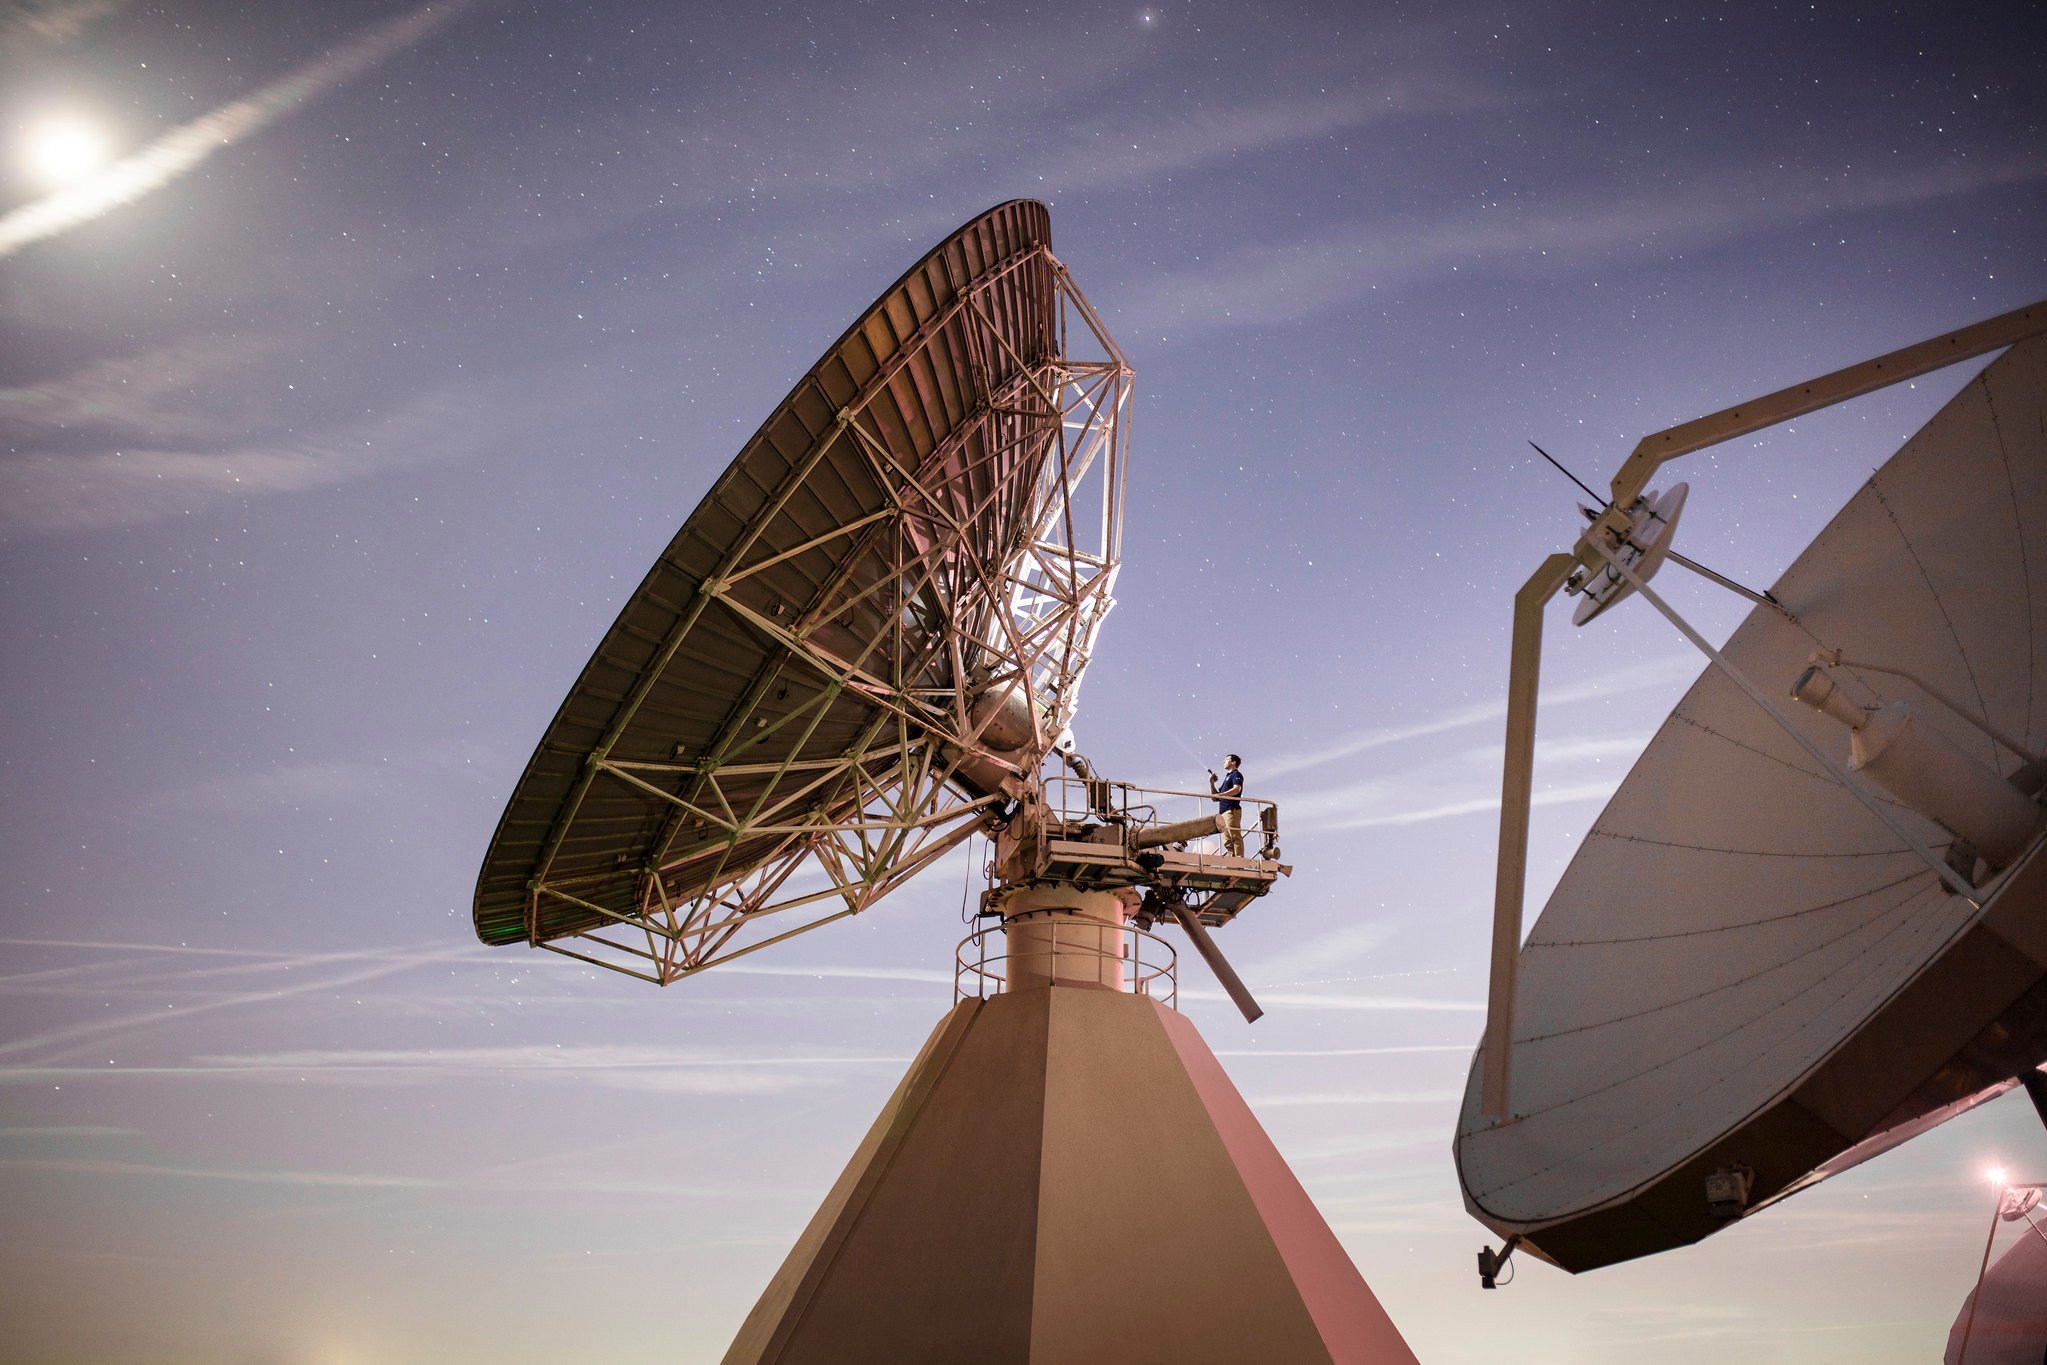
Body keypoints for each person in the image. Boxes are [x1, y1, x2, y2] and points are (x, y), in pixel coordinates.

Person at [1208, 754, 1245, 857]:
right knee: (1227, 839)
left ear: (1233, 762)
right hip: (1223, 812)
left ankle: (1238, 860)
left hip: (1231, 810)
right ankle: (1231, 861)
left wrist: (1222, 795)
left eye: (1226, 760)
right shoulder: (1227, 778)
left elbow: (1237, 789)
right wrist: (1211, 783)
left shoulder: (1236, 774)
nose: (1223, 762)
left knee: (1234, 836)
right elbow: (1215, 798)